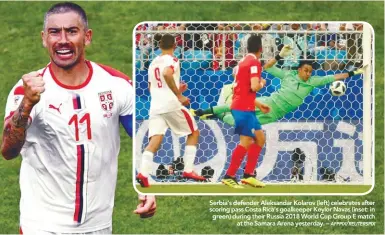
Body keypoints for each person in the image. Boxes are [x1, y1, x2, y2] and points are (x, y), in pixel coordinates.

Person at [1, 2, 155, 234]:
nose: (63, 40)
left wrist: (148, 185)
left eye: (72, 31)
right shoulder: (27, 91)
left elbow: (144, 139)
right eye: (54, 32)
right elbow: (8, 151)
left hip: (98, 225)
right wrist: (27, 105)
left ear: (87, 37)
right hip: (42, 226)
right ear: (44, 38)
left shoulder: (116, 85)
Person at [192, 45, 364, 127]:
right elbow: (268, 67)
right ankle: (202, 112)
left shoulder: (313, 82)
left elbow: (334, 77)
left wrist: (354, 73)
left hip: (277, 113)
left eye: (310, 71)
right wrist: (280, 55)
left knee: (243, 124)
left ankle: (220, 116)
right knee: (236, 105)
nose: (308, 74)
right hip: (269, 102)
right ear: (299, 70)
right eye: (306, 70)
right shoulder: (288, 75)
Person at [136, 34, 206, 188]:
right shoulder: (173, 60)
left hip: (155, 106)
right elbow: (167, 73)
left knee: (155, 140)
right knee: (193, 132)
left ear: (159, 47)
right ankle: (188, 169)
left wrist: (175, 88)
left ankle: (143, 173)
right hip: (170, 104)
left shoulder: (153, 62)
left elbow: (151, 87)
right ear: (175, 46)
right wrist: (179, 94)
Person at [221, 34, 270, 189]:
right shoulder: (254, 62)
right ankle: (229, 176)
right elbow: (255, 86)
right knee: (247, 141)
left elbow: (243, 89)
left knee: (260, 138)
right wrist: (262, 83)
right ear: (261, 49)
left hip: (246, 105)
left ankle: (248, 175)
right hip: (242, 107)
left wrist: (259, 103)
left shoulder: (242, 62)